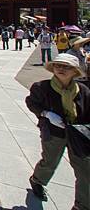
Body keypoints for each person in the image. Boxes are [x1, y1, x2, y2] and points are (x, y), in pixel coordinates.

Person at [25, 54, 90, 208]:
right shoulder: (42, 87)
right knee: (50, 161)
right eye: (58, 65)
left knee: (85, 170)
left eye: (66, 66)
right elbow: (31, 103)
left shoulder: (83, 91)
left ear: (75, 71)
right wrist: (46, 114)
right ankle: (37, 180)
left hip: (78, 134)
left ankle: (82, 205)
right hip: (54, 132)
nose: (61, 69)